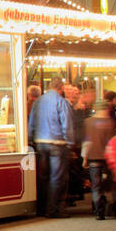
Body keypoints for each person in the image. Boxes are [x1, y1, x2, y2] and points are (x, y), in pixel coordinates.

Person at [29, 77, 74, 217]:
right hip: (57, 144)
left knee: (43, 177)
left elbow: (31, 123)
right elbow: (67, 125)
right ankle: (53, 209)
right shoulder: (61, 102)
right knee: (57, 177)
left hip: (40, 143)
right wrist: (70, 143)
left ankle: (41, 208)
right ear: (60, 88)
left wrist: (30, 139)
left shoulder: (38, 102)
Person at [82, 102, 116, 219]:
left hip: (94, 157)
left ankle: (99, 212)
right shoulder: (111, 122)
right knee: (114, 184)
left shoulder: (88, 122)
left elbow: (87, 141)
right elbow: (114, 142)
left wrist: (85, 157)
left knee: (96, 186)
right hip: (110, 157)